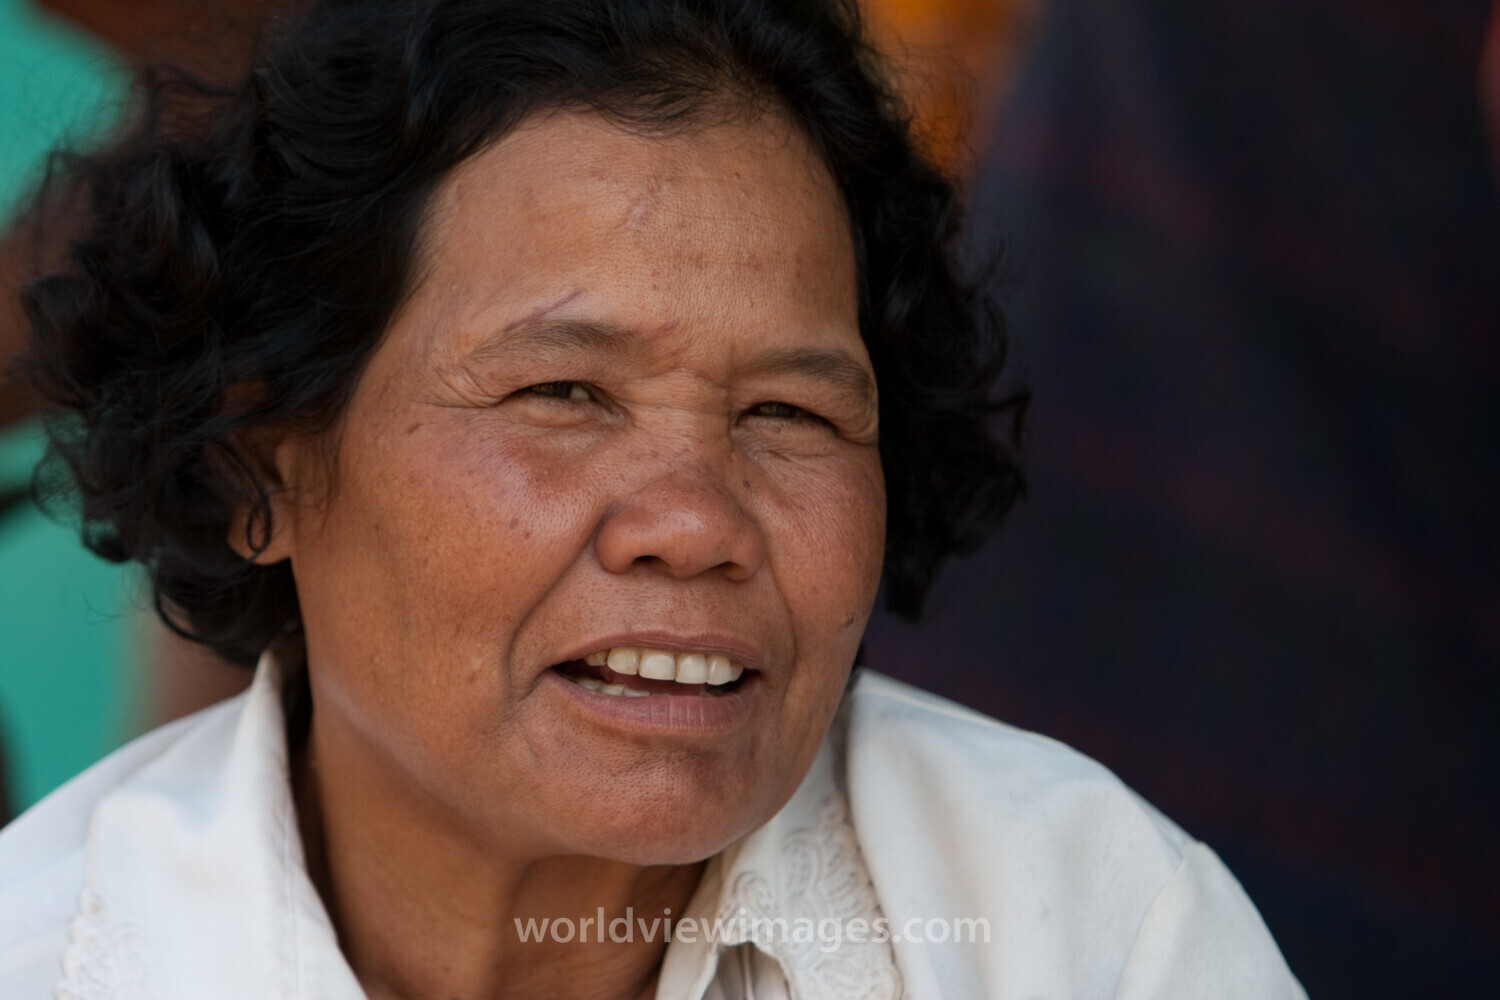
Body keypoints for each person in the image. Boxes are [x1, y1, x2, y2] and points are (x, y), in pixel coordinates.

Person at [0, 1, 1304, 997]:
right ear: (256, 466)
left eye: (789, 414)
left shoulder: (1088, 931)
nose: (695, 523)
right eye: (562, 394)